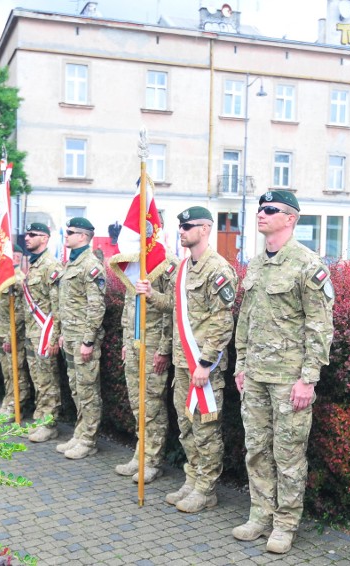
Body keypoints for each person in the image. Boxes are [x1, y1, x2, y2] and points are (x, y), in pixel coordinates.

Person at [232, 190, 334, 554]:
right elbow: (245, 319)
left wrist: (308, 379)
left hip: (289, 381)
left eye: (270, 209)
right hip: (256, 376)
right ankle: (260, 515)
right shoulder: (256, 264)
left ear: (290, 218)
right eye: (260, 208)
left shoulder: (308, 264)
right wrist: (241, 365)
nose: (261, 213)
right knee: (256, 450)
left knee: (288, 454)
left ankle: (285, 524)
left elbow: (319, 327)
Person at [135, 206, 237, 513]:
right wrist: (151, 294)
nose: (181, 231)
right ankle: (192, 480)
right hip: (182, 362)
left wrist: (205, 363)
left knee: (205, 428)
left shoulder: (218, 269)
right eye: (180, 227)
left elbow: (222, 321)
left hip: (203, 366)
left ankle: (206, 489)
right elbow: (174, 307)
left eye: (187, 226)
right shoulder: (182, 268)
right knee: (186, 425)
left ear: (205, 229)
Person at [114, 251, 177, 484]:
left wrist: (164, 348)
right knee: (137, 403)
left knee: (152, 405)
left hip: (152, 346)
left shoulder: (164, 262)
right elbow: (128, 305)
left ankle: (152, 461)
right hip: (134, 343)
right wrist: (125, 341)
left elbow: (171, 310)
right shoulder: (134, 263)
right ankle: (140, 453)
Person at [54, 217, 106, 459]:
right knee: (76, 389)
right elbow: (68, 304)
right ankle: (80, 432)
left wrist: (88, 341)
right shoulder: (71, 264)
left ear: (83, 237)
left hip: (84, 341)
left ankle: (89, 439)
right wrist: (64, 334)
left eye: (71, 232)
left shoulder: (90, 265)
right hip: (71, 338)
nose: (66, 235)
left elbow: (96, 307)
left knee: (88, 390)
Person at [21, 222, 64, 443]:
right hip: (32, 331)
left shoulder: (50, 265)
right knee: (38, 380)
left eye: (32, 234)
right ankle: (40, 418)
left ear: (45, 239)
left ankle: (49, 424)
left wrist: (54, 336)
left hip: (45, 332)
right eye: (26, 234)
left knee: (48, 380)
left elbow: (57, 305)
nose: (26, 238)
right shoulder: (34, 264)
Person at [0, 243, 32, 419]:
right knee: (7, 373)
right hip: (0, 331)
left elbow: (20, 312)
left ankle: (16, 407)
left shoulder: (18, 280)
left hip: (13, 335)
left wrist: (10, 336)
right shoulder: (2, 278)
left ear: (17, 257)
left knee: (16, 372)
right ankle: (8, 403)